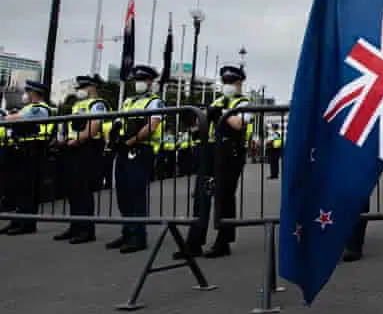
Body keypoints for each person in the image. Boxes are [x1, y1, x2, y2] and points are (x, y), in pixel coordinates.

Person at [177, 65, 253, 259]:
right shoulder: (217, 101)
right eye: (225, 82)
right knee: (201, 195)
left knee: (224, 195)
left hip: (231, 152)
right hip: (211, 151)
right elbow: (198, 128)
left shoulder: (244, 103)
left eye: (231, 82)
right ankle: (194, 242)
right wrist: (196, 121)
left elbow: (239, 124)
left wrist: (222, 113)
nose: (227, 85)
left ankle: (223, 241)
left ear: (239, 83)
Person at [107, 65, 164, 253]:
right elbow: (118, 122)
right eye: (137, 79)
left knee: (136, 194)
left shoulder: (155, 102)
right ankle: (127, 232)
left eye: (143, 79)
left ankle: (138, 237)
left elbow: (152, 126)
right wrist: (114, 137)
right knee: (123, 193)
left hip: (141, 150)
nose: (139, 83)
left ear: (150, 82)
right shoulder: (128, 101)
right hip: (124, 150)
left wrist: (131, 141)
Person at [55, 74, 108, 244]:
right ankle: (75, 226)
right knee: (73, 189)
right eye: (80, 88)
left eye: (84, 87)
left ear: (93, 87)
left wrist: (75, 141)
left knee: (84, 189)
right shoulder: (77, 105)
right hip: (73, 148)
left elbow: (93, 128)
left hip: (87, 148)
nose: (81, 90)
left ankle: (86, 230)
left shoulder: (97, 104)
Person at [0, 81, 53, 236]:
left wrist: (6, 115)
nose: (25, 94)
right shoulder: (28, 108)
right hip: (22, 150)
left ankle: (27, 224)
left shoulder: (39, 109)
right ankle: (16, 221)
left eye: (28, 91)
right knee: (19, 188)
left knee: (27, 189)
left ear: (34, 93)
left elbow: (14, 119)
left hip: (33, 151)